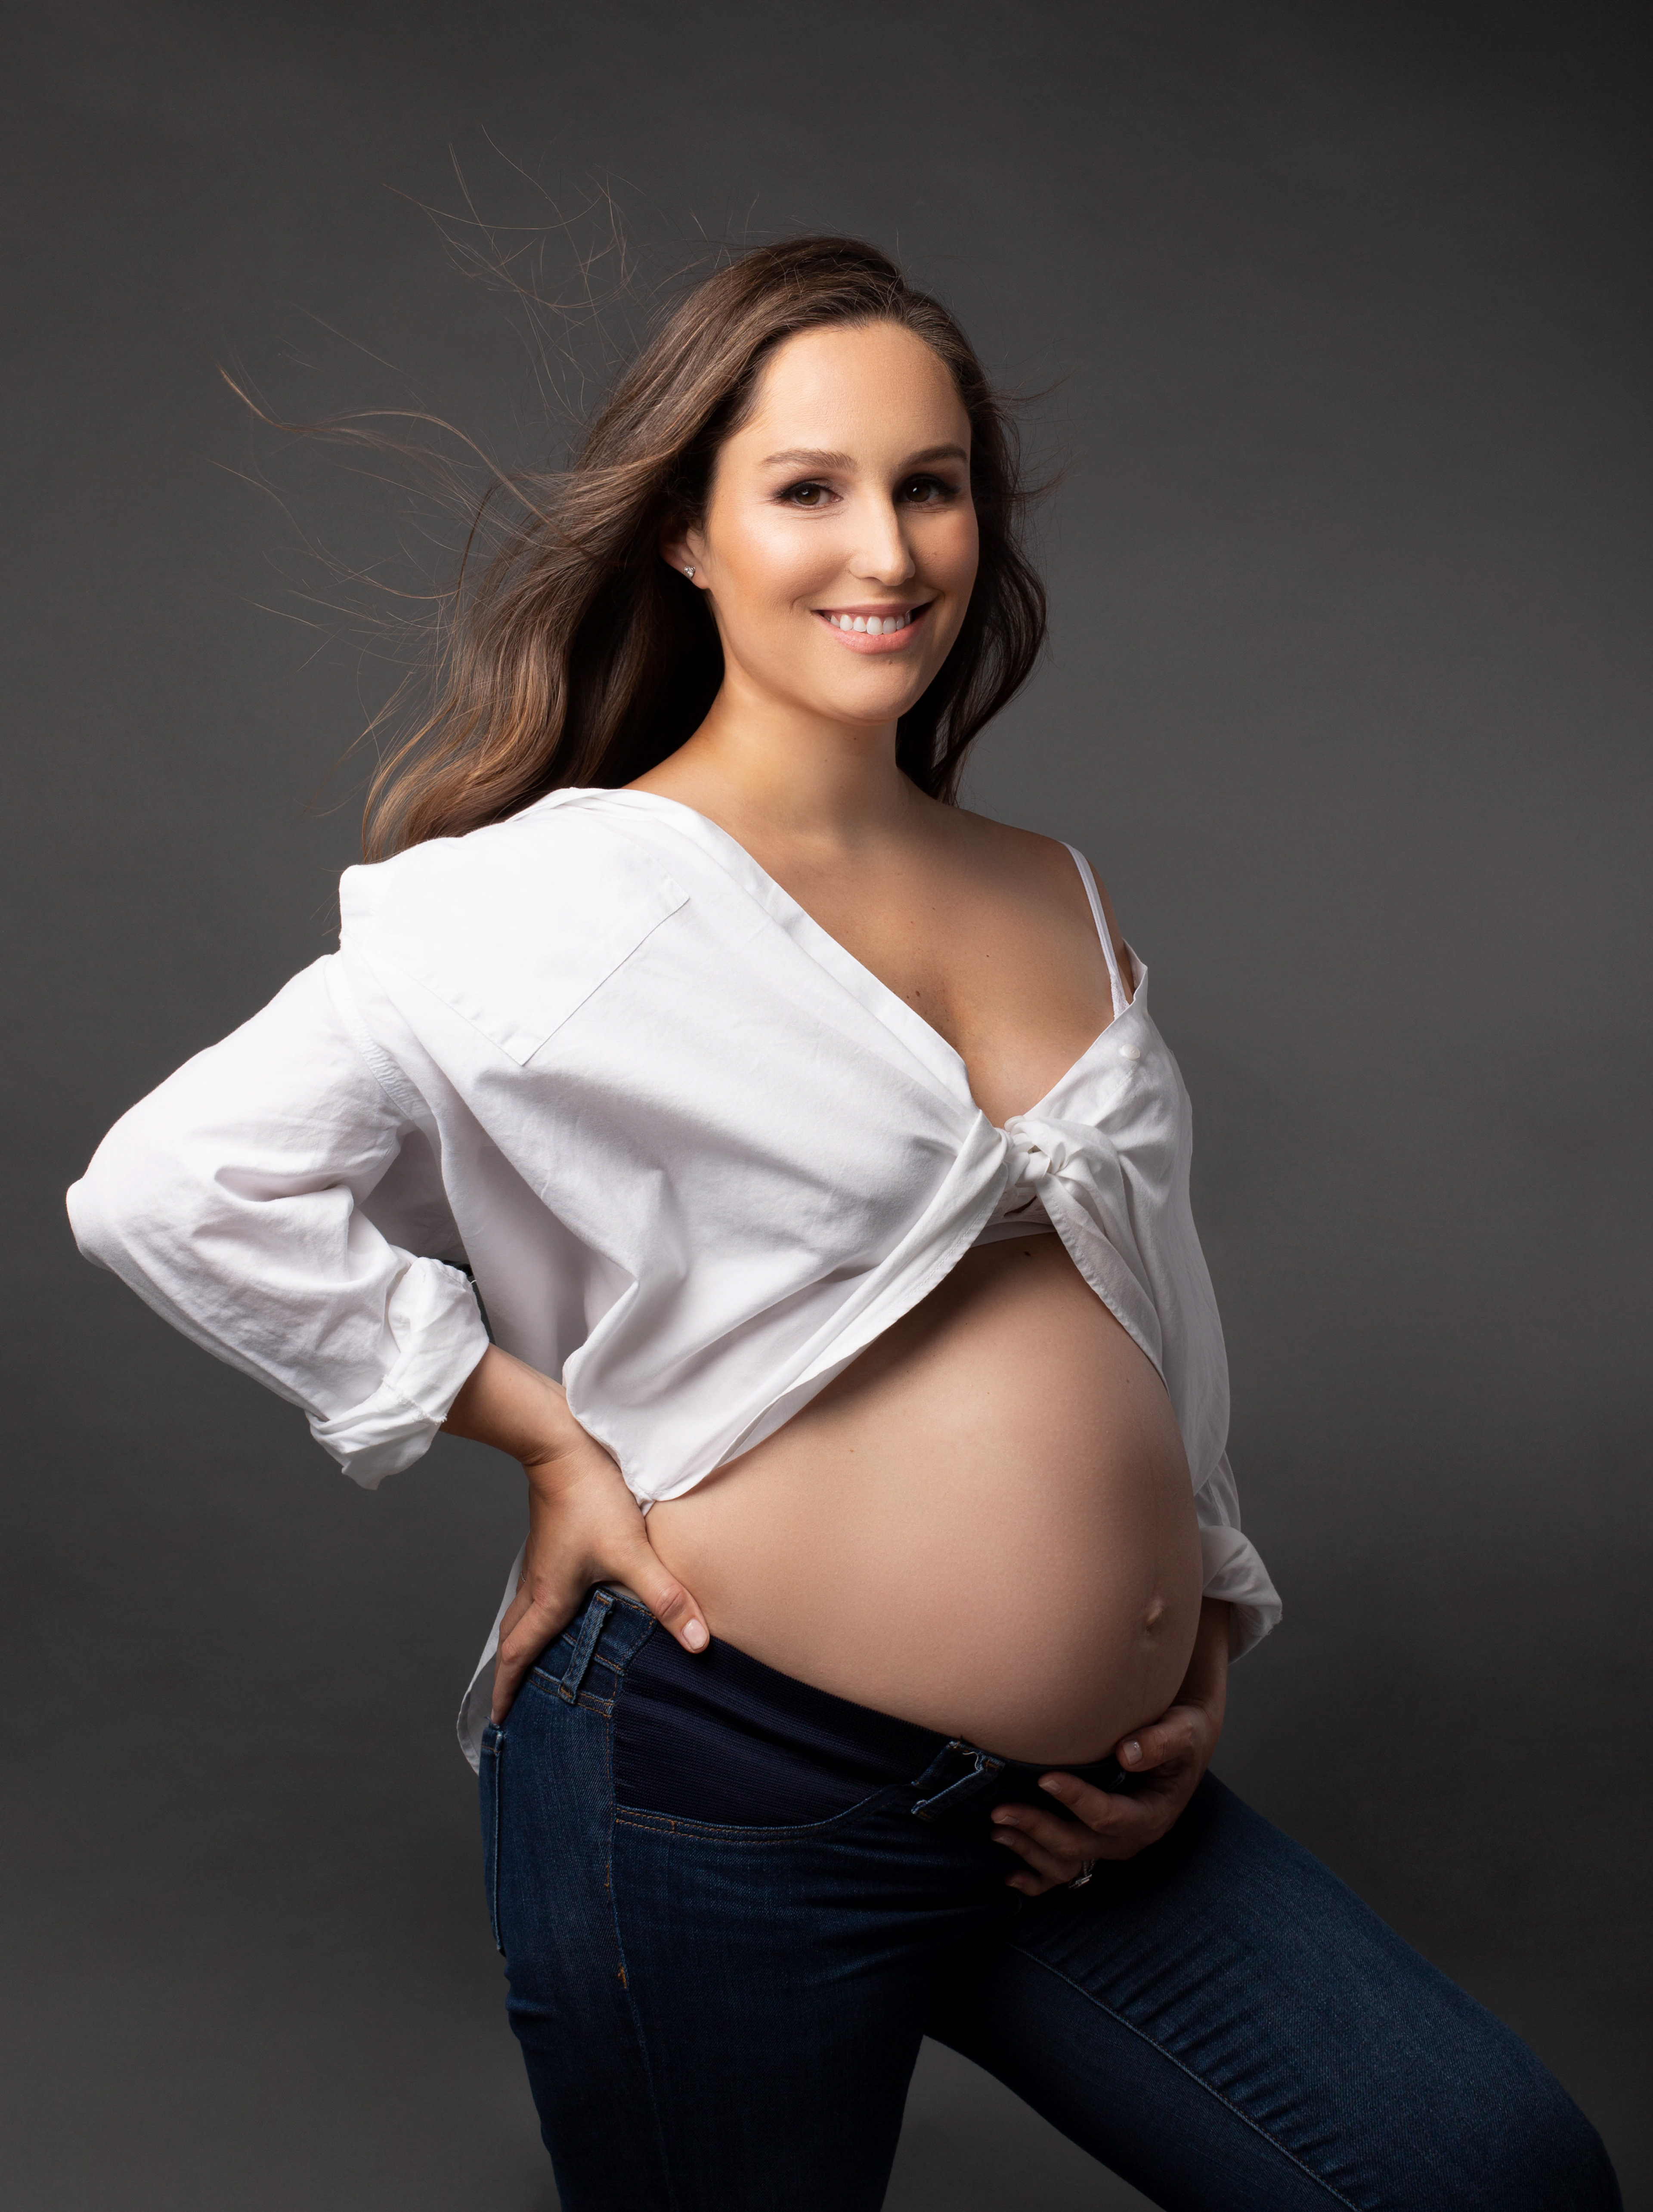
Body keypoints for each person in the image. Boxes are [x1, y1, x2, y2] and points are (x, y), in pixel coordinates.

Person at [67, 237, 1618, 2212]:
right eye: (807, 488)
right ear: (691, 537)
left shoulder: (1046, 881)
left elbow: (1149, 1286)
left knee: (1489, 2176)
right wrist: (532, 1426)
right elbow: (173, 1186)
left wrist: (1199, 1619)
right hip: (722, 1791)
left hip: (1065, 1815)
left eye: (931, 481)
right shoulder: (559, 895)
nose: (884, 547)